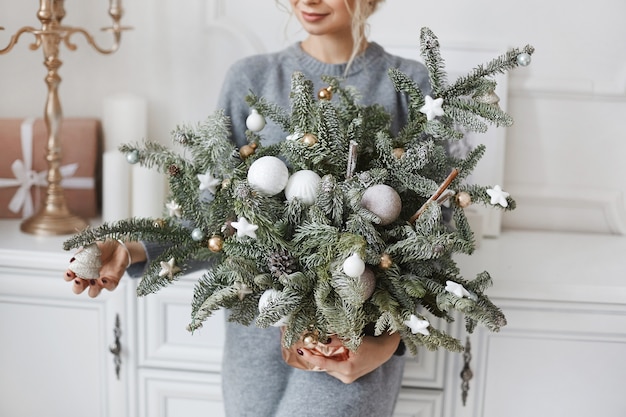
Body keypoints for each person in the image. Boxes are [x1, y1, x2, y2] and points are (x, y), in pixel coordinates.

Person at [64, 1, 431, 415]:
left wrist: (386, 344)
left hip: (351, 340)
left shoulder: (410, 85)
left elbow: (432, 239)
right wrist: (133, 249)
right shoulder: (251, 79)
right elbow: (214, 219)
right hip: (254, 342)